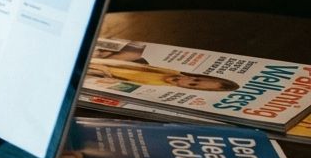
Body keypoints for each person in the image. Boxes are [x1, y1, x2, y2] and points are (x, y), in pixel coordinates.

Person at [86, 58, 240, 91]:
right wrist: (99, 64)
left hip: (101, 76)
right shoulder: (171, 72)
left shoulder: (159, 86)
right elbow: (129, 65)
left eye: (193, 84)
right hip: (101, 66)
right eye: (196, 78)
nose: (189, 80)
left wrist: (103, 73)